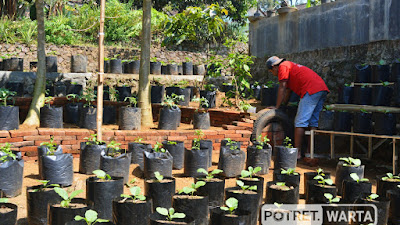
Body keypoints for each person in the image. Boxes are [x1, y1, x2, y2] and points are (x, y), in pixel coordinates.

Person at [266, 56, 329, 159]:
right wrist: (283, 106)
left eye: (271, 71)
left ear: (274, 67)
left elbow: (282, 87)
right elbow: (288, 91)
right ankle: (310, 152)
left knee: (300, 122)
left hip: (311, 90)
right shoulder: (289, 66)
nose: (273, 74)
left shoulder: (282, 66)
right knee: (312, 122)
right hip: (321, 88)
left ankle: (297, 153)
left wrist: (276, 107)